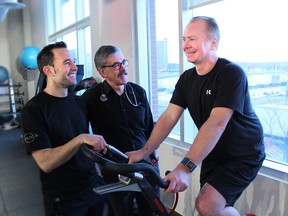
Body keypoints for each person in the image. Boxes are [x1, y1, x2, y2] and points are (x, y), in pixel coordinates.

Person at [126, 16, 266, 216]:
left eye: (192, 39)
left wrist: (184, 168)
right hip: (214, 150)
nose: (185, 45)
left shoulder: (231, 74)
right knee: (209, 207)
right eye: (184, 39)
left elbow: (216, 124)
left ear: (213, 43)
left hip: (243, 152)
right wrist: (145, 151)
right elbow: (169, 117)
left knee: (206, 204)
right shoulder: (186, 79)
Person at [21, 41, 108, 216]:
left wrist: (98, 172)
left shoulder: (78, 103)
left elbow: (84, 147)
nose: (75, 67)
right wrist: (79, 139)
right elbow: (45, 162)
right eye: (67, 62)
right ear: (49, 71)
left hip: (93, 188)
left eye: (73, 60)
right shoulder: (33, 110)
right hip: (64, 199)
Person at [81, 45, 158, 216]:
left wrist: (154, 156)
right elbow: (84, 135)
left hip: (145, 164)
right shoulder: (90, 99)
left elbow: (149, 127)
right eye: (116, 65)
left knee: (150, 210)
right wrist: (95, 165)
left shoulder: (138, 92)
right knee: (121, 212)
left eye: (123, 62)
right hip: (114, 168)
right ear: (102, 71)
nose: (123, 68)